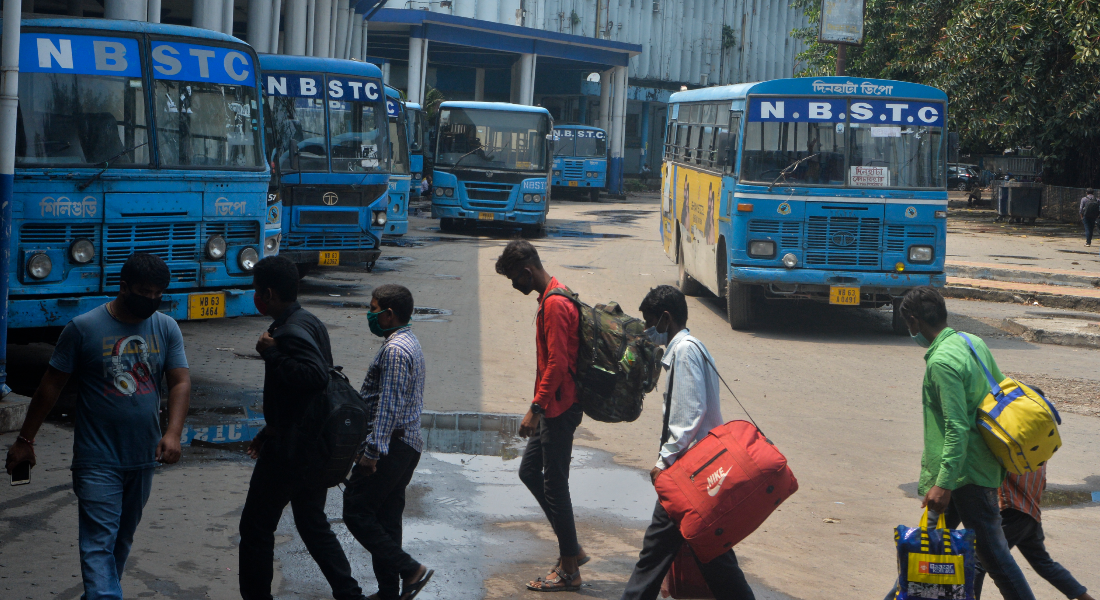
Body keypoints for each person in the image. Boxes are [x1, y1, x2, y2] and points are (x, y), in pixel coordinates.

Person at [4, 253, 191, 600]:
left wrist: (173, 432)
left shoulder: (166, 327)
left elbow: (179, 381)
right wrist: (25, 439)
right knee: (98, 542)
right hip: (97, 458)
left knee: (120, 540)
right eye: (143, 292)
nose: (150, 300)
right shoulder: (84, 328)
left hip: (143, 456)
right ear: (123, 287)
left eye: (157, 294)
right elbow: (51, 385)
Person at [885, 286, 1036, 600]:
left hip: (962, 476)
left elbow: (956, 427)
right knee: (923, 551)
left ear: (913, 321)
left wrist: (943, 483)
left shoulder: (941, 363)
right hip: (972, 467)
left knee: (997, 560)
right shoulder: (972, 341)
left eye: (909, 325)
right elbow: (997, 397)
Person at [238, 256, 368, 600]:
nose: (256, 296)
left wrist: (271, 353)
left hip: (291, 452)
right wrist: (267, 430)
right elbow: (305, 396)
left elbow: (312, 378)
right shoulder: (308, 321)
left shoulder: (289, 331)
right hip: (310, 445)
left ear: (267, 292)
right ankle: (349, 593)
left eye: (256, 290)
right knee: (312, 523)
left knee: (255, 528)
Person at [619, 285, 756, 600]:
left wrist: (663, 461)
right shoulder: (691, 347)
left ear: (666, 319)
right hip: (699, 473)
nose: (649, 331)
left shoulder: (684, 351)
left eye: (651, 322)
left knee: (655, 552)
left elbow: (689, 413)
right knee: (712, 555)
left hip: (688, 473)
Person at [494, 240, 588, 592]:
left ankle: (569, 569)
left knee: (554, 484)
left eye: (513, 279)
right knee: (530, 471)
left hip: (558, 407)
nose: (514, 285)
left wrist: (534, 409)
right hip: (556, 404)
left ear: (527, 272)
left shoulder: (554, 304)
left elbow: (558, 364)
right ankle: (573, 549)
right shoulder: (555, 293)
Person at [342, 284, 434, 600]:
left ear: (389, 314)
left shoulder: (395, 350)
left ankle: (411, 570)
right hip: (407, 445)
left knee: (356, 512)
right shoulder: (408, 342)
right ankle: (388, 593)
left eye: (373, 308)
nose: (370, 314)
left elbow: (389, 404)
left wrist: (372, 451)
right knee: (387, 520)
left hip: (391, 446)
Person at [973, 466, 1093, 600]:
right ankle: (1085, 597)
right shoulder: (1039, 450)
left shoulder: (1012, 449)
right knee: (1043, 562)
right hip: (1031, 513)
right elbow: (1043, 483)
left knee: (979, 558)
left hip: (1012, 512)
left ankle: (969, 597)